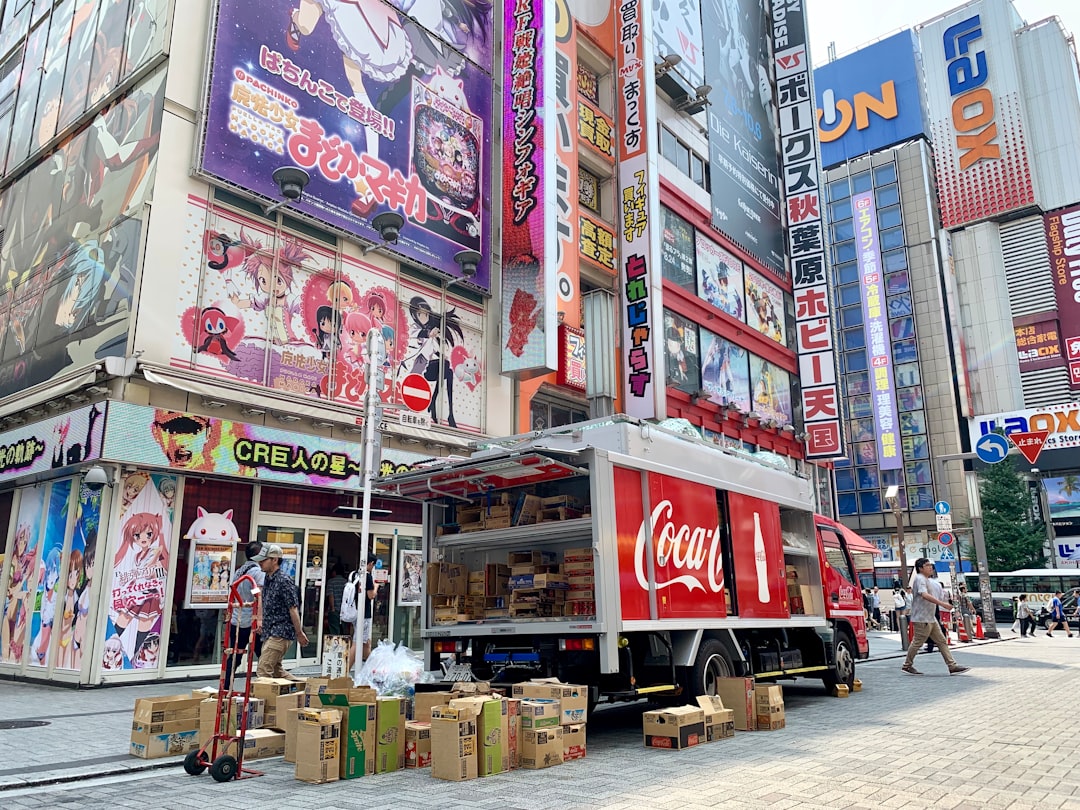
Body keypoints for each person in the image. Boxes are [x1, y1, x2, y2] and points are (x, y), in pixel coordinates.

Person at [901, 559, 970, 675]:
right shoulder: (920, 578)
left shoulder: (928, 580)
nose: (930, 567)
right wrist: (942, 604)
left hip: (930, 617)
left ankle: (952, 666)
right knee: (917, 642)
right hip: (922, 618)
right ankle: (907, 665)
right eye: (927, 565)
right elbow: (924, 595)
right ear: (920, 568)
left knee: (942, 641)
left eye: (931, 565)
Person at [255, 544, 308, 679]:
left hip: (280, 632)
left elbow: (293, 608)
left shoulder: (284, 581)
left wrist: (299, 633)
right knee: (277, 671)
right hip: (270, 630)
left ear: (275, 560)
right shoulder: (268, 577)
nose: (260, 563)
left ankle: (264, 699)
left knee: (263, 670)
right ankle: (304, 689)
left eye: (263, 560)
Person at [223, 541, 266, 690]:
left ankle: (226, 685)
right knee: (264, 657)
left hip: (237, 619)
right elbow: (258, 594)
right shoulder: (257, 572)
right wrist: (260, 618)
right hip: (251, 621)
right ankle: (266, 688)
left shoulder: (239, 571)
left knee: (235, 655)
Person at [347, 553, 378, 674]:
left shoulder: (354, 574)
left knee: (366, 643)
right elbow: (370, 595)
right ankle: (345, 671)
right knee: (358, 642)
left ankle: (374, 671)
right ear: (371, 564)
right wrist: (376, 587)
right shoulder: (367, 576)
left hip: (354, 611)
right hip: (364, 613)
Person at [325, 563, 348, 636]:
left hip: (335, 610)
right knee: (344, 631)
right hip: (345, 611)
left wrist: (332, 608)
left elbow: (331, 595)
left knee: (334, 631)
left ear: (334, 572)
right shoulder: (346, 582)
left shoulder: (331, 581)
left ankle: (335, 646)